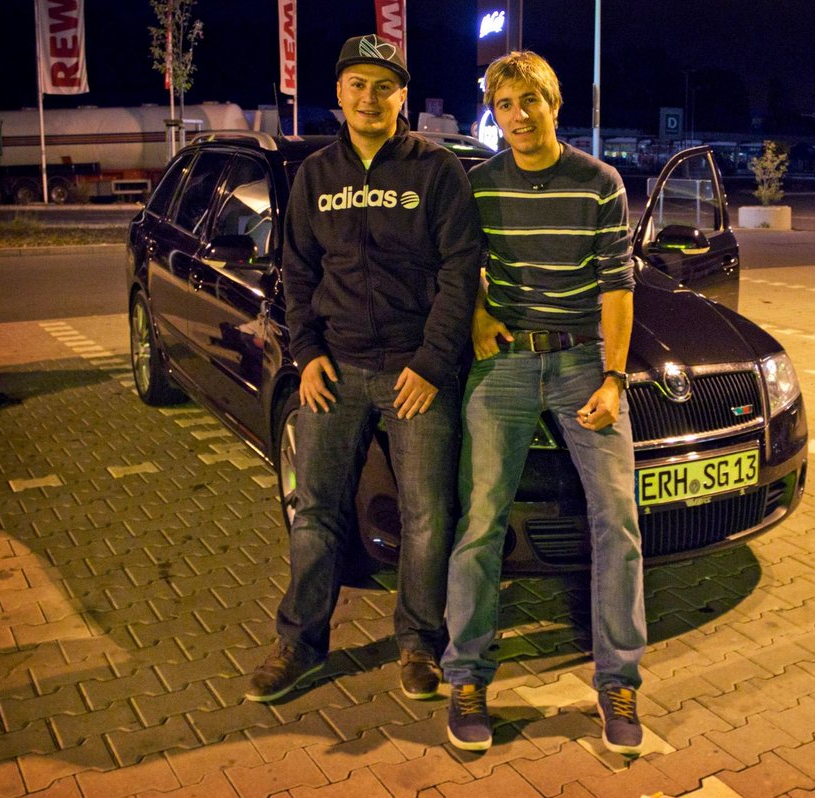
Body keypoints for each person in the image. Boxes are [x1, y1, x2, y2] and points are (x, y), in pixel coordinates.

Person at [245, 34, 482, 703]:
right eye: (358, 84)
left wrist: (434, 363)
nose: (370, 98)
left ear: (403, 97)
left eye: (385, 86)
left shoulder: (437, 172)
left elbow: (460, 273)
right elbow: (297, 270)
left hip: (417, 376)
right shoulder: (316, 176)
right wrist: (307, 352)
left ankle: (417, 646)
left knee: (428, 516)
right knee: (316, 513)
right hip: (336, 372)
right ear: (340, 93)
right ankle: (301, 642)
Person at [441, 50, 646, 755]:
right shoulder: (479, 186)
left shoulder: (600, 183)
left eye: (531, 100)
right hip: (503, 363)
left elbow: (617, 287)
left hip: (582, 360)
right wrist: (473, 318)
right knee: (480, 520)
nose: (519, 116)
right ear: (493, 115)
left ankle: (617, 681)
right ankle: (466, 677)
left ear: (555, 105)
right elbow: (460, 268)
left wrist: (614, 379)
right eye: (505, 105)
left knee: (616, 516)